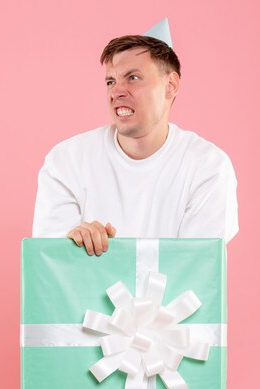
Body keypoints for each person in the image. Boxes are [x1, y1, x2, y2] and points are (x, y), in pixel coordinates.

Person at [32, 19, 238, 255]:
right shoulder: (66, 161)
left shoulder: (208, 167)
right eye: (111, 81)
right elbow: (52, 265)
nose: (116, 92)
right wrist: (72, 244)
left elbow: (195, 267)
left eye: (133, 78)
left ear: (170, 85)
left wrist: (93, 260)